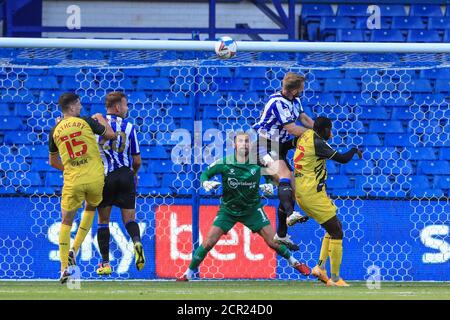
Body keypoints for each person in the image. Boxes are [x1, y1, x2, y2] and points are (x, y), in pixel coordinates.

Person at [177, 132, 311, 281]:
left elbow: (270, 175)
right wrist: (205, 183)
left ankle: (295, 262)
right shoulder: (225, 162)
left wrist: (268, 184)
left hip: (252, 209)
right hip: (228, 210)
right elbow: (205, 174)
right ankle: (187, 274)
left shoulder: (258, 162)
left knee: (273, 241)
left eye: (247, 141)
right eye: (241, 141)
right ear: (234, 145)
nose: (244, 144)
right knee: (208, 242)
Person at [48, 92, 116, 284]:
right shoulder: (86, 121)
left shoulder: (55, 130)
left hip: (73, 180)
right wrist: (101, 119)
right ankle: (74, 250)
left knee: (66, 220)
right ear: (71, 107)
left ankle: (63, 268)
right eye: (78, 104)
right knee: (91, 207)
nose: (81, 106)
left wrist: (68, 168)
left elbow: (52, 161)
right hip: (95, 177)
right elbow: (111, 135)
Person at [292, 116, 362, 287]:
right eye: (329, 129)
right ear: (324, 130)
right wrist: (354, 150)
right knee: (337, 231)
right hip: (312, 195)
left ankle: (320, 268)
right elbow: (343, 159)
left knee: (332, 227)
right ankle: (336, 279)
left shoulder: (306, 135)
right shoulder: (318, 144)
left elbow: (289, 144)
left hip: (306, 192)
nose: (331, 132)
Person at [252, 72, 315, 250]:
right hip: (265, 146)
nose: (302, 91)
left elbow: (303, 118)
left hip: (278, 147)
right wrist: (315, 136)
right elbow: (293, 128)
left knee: (293, 189)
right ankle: (291, 213)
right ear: (294, 90)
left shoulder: (295, 101)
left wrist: (319, 128)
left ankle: (281, 234)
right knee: (285, 175)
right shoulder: (277, 103)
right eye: (301, 89)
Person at [90, 91, 145, 275]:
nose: (127, 108)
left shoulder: (96, 124)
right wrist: (134, 174)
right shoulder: (129, 127)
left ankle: (105, 264)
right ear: (117, 107)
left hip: (105, 177)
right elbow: (137, 160)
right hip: (126, 176)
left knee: (103, 221)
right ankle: (136, 241)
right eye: (126, 104)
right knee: (129, 219)